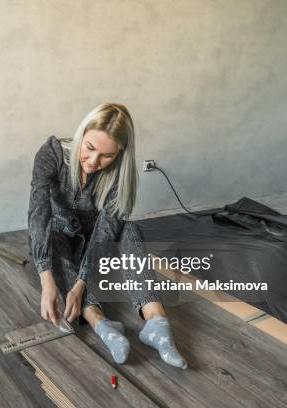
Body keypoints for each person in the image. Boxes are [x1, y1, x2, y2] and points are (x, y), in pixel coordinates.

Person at [27, 103, 187, 368]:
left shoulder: (121, 177)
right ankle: (101, 323)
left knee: (130, 228)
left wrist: (80, 284)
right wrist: (46, 279)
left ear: (120, 155)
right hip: (60, 235)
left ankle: (156, 323)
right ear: (82, 133)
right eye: (89, 148)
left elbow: (104, 234)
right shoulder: (52, 153)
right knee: (53, 243)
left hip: (99, 242)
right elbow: (38, 212)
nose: (93, 162)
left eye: (107, 156)